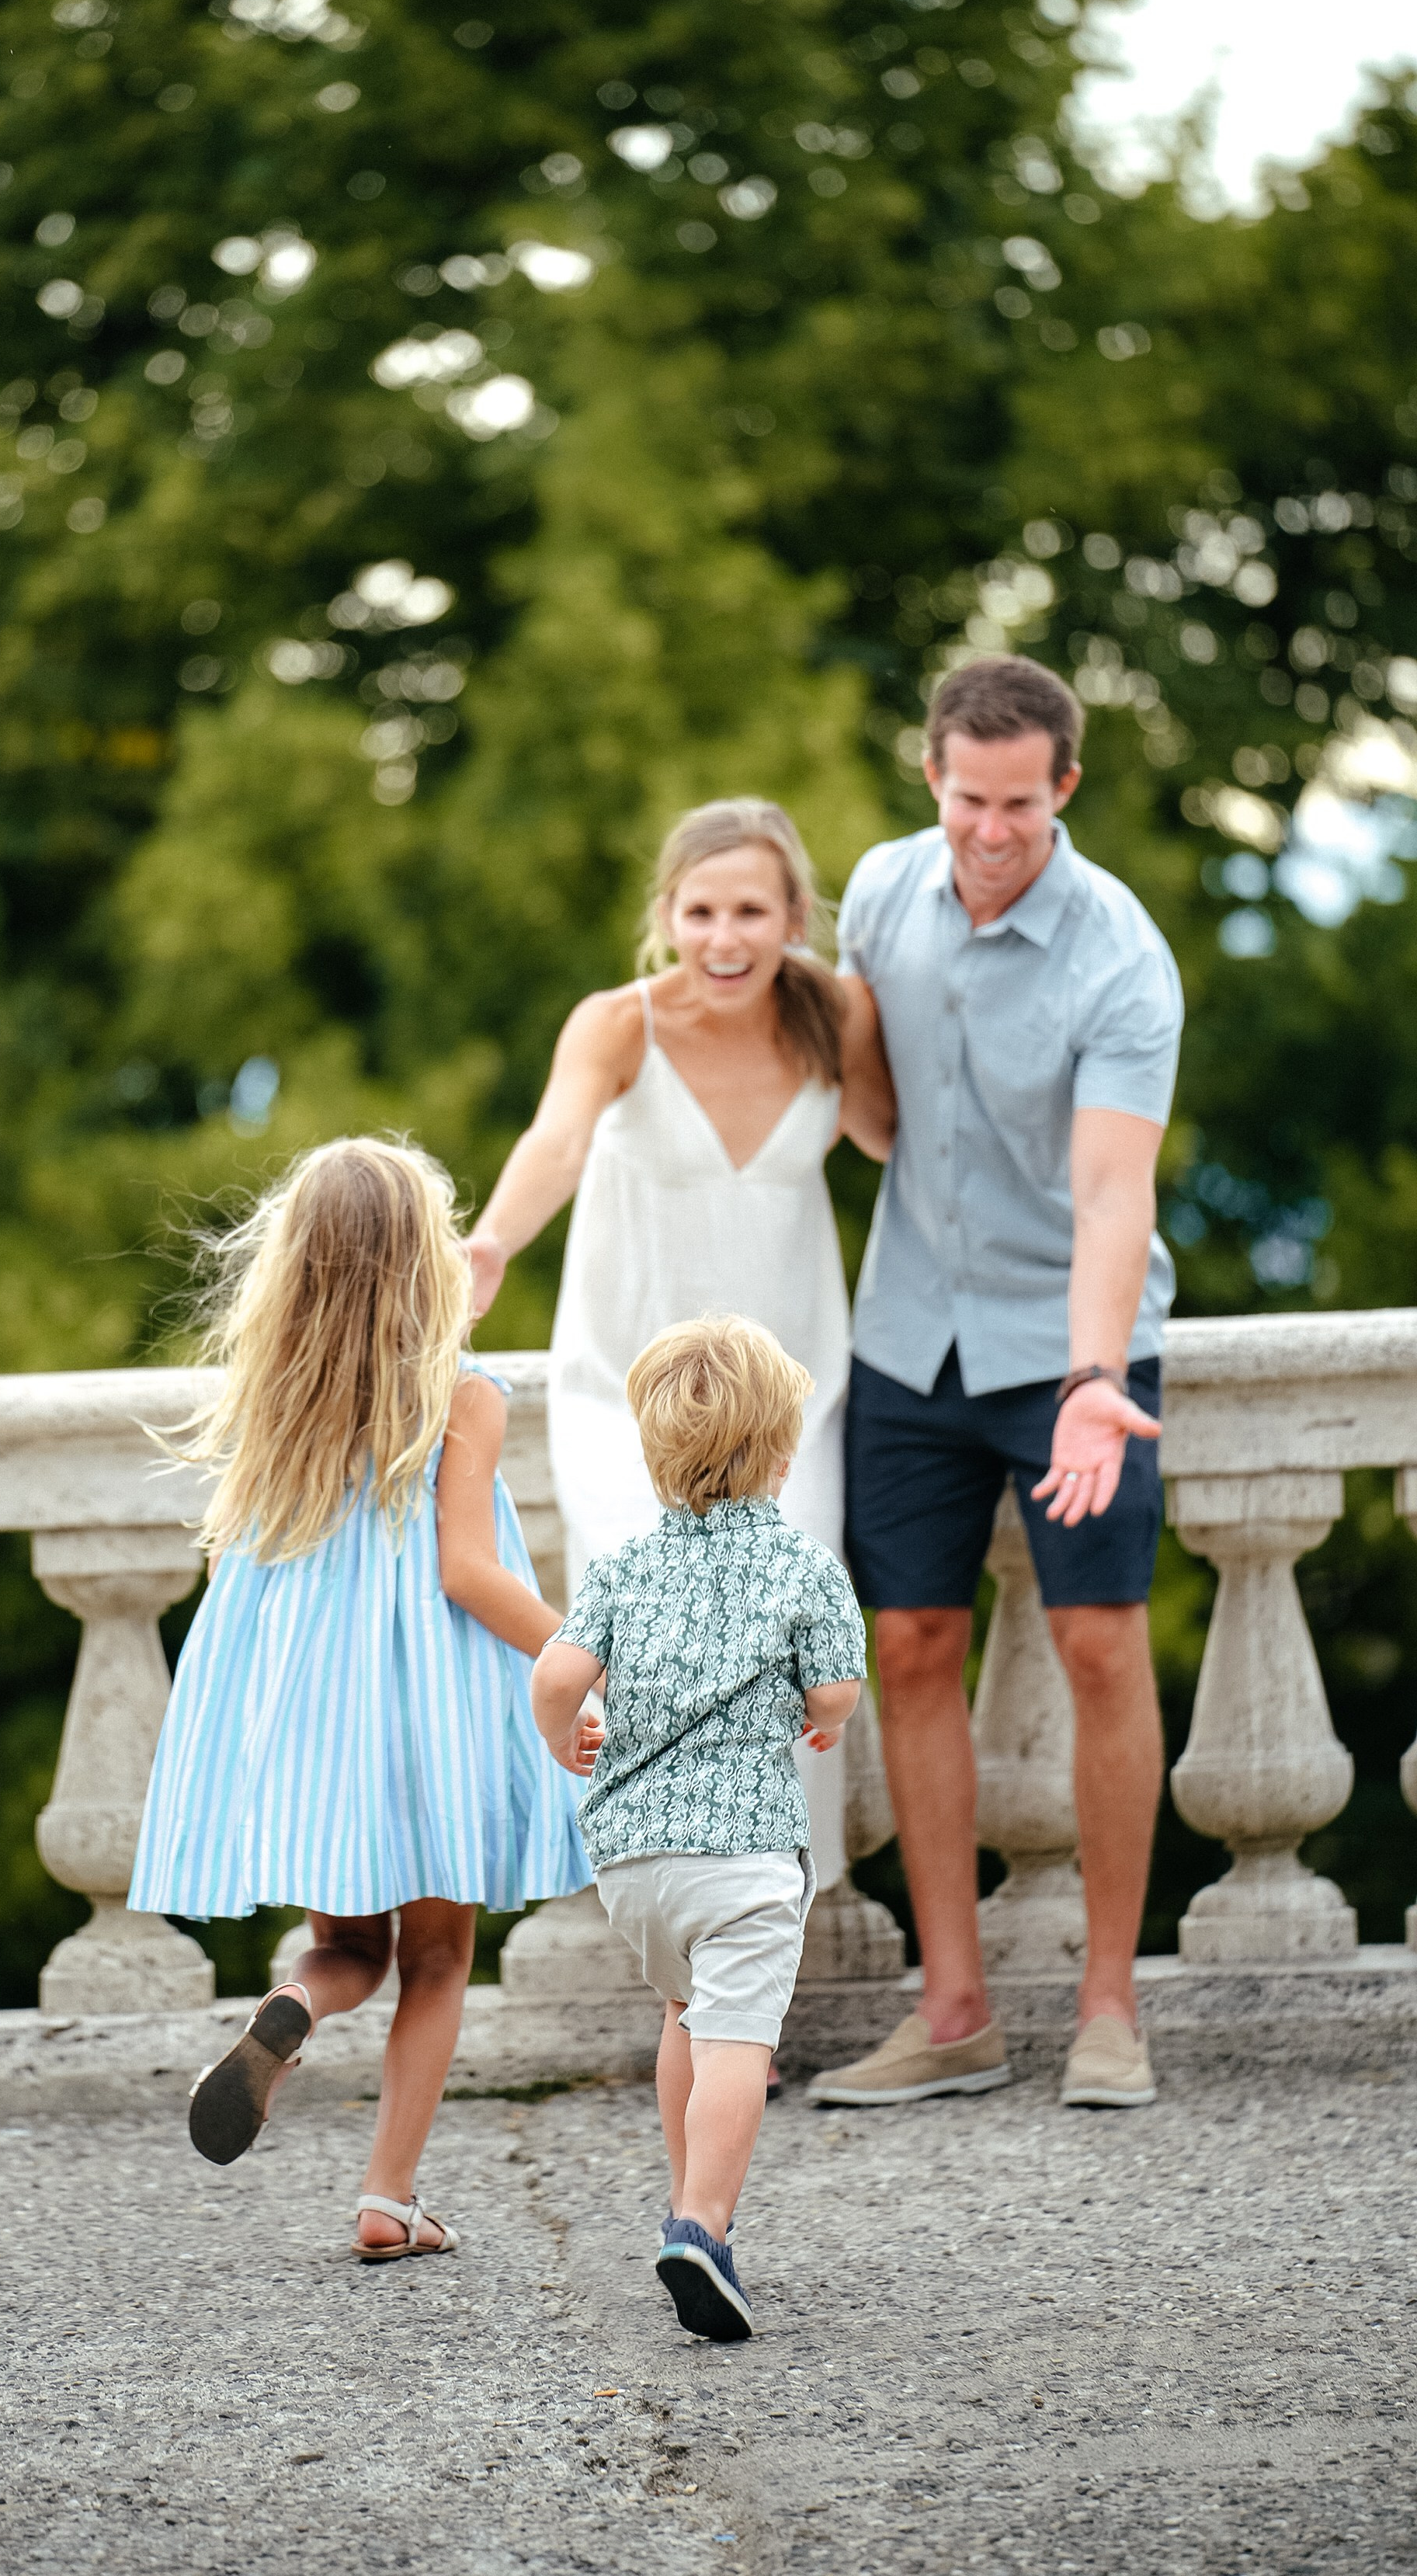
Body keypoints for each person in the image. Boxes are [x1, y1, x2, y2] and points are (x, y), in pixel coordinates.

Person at [812, 654, 1183, 2114]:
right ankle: (953, 2009)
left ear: (1064, 789)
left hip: (1071, 1346)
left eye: (1019, 805)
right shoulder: (883, 890)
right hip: (908, 1331)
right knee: (906, 1640)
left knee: (1098, 1642)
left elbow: (1113, 1197)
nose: (989, 830)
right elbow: (875, 1114)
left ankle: (1109, 2007)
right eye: (968, 799)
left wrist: (1094, 1374)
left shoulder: (1118, 956)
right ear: (933, 779)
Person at [128, 1137, 591, 2258]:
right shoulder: (465, 1396)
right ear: (428, 1266)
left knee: (351, 1947)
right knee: (436, 1956)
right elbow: (467, 1573)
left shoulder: (275, 1402)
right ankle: (388, 2196)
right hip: (429, 1723)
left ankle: (295, 2009)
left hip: (319, 1724)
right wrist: (587, 1648)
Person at [467, 798, 893, 1888]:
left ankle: (761, 1963)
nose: (726, 938)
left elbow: (902, 1140)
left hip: (789, 1415)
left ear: (796, 913)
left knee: (791, 1659)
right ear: (666, 913)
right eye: (701, 910)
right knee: (645, 1661)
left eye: (752, 910)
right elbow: (556, 1140)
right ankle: (676, 1952)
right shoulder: (618, 1024)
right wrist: (490, 1245)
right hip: (625, 1404)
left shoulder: (838, 1016)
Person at [533, 1316, 866, 2342]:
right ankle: (703, 2223)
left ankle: (687, 2199)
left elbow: (556, 1676)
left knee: (684, 2008)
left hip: (634, 1862)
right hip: (745, 1856)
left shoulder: (624, 1567)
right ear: (782, 1451)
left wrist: (566, 1737)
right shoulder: (805, 1568)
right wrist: (825, 1717)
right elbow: (838, 1686)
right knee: (737, 2041)